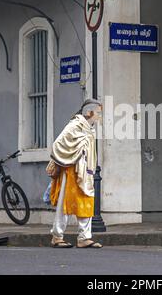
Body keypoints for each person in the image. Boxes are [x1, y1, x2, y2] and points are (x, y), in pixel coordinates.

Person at [49, 99, 103, 248]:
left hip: (85, 172)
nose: (99, 116)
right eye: (98, 113)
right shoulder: (75, 125)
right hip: (71, 171)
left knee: (86, 202)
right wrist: (71, 157)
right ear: (89, 112)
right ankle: (57, 236)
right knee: (65, 204)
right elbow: (58, 145)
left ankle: (84, 238)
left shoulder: (89, 128)